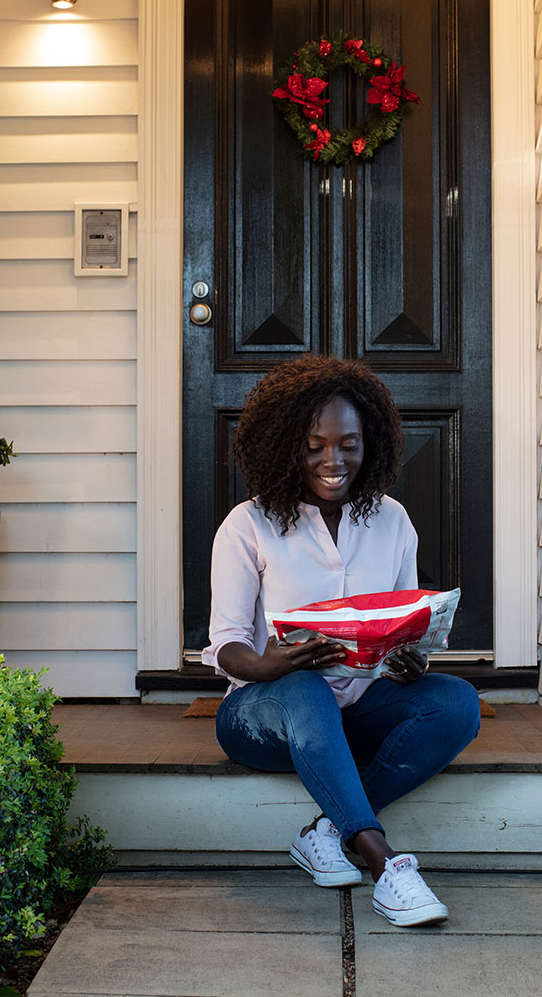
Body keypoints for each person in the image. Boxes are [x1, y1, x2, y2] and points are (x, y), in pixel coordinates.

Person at [202, 354, 480, 927]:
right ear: (286, 445)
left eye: (348, 444)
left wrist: (410, 658)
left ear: (369, 442)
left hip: (357, 706)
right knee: (303, 685)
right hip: (265, 715)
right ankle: (386, 865)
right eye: (314, 445)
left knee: (457, 703)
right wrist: (267, 664)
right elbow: (226, 643)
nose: (333, 460)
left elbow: (403, 620)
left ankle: (327, 831)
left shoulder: (393, 521)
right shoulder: (247, 525)